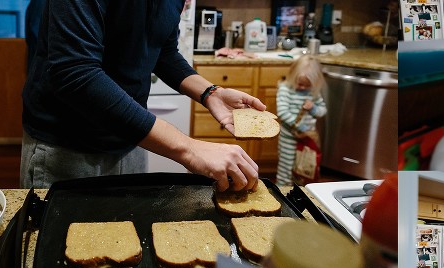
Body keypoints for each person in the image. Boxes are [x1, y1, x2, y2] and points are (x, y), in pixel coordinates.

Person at [21, 0, 265, 192]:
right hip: (66, 145)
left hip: (132, 137)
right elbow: (75, 72)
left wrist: (211, 93)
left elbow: (163, 50)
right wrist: (189, 149)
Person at [274, 55, 327, 186]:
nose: (303, 87)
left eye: (307, 85)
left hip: (307, 140)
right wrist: (300, 126)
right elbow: (282, 112)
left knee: (304, 169)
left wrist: (313, 108)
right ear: (292, 76)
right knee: (286, 169)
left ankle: (300, 193)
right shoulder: (286, 89)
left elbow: (322, 110)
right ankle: (283, 192)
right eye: (300, 84)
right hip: (289, 138)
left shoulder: (313, 92)